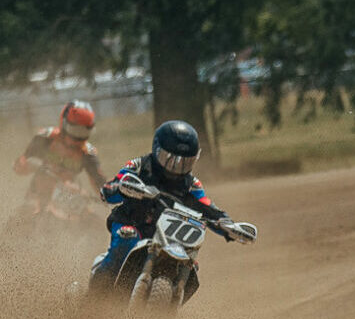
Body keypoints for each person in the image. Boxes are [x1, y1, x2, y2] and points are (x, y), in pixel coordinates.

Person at [91, 120, 249, 293]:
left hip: (168, 238)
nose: (177, 168)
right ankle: (94, 297)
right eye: (171, 160)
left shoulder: (191, 185)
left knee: (190, 267)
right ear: (157, 150)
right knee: (126, 240)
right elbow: (110, 188)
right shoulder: (140, 167)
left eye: (184, 163)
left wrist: (228, 225)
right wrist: (123, 189)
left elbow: (207, 207)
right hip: (132, 223)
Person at [13, 100, 106, 216]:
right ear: (64, 123)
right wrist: (26, 165)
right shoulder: (46, 138)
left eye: (84, 131)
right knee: (24, 216)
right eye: (75, 130)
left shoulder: (88, 152)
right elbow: (20, 165)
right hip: (38, 197)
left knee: (95, 223)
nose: (78, 137)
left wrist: (110, 195)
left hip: (70, 197)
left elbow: (100, 184)